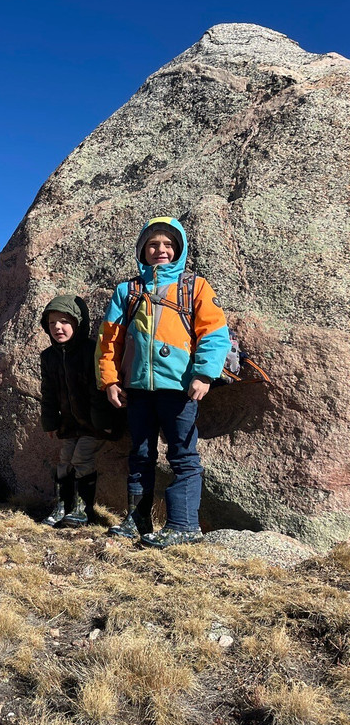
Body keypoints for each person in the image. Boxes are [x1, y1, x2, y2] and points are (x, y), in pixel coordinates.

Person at [96, 217, 231, 548]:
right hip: (138, 390)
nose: (161, 250)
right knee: (140, 455)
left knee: (183, 457)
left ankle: (184, 525)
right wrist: (111, 381)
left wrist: (203, 374)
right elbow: (109, 340)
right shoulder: (127, 291)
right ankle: (138, 519)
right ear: (143, 249)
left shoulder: (195, 286)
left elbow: (215, 334)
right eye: (153, 244)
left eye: (168, 245)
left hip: (180, 389)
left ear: (179, 249)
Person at [39, 294, 114, 528]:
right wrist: (50, 422)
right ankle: (63, 506)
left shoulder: (91, 350)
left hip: (93, 424)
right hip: (69, 423)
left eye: (64, 321)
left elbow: (99, 390)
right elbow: (48, 392)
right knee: (64, 461)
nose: (57, 327)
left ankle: (83, 509)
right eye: (52, 323)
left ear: (78, 323)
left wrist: (102, 422)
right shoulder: (49, 356)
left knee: (82, 459)